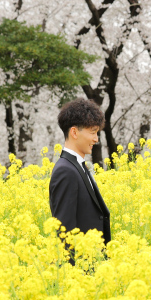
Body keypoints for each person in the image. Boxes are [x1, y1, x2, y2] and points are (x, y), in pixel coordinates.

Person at [49, 99, 111, 265]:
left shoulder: (77, 166)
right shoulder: (66, 171)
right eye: (92, 132)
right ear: (74, 132)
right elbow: (64, 231)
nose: (96, 139)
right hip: (81, 271)